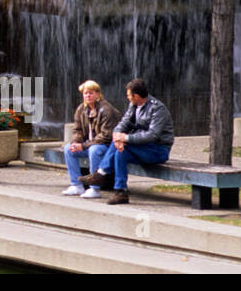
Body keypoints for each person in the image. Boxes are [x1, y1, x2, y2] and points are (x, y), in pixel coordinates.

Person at [80, 77, 174, 205]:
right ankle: (121, 192)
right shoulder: (134, 105)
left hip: (158, 150)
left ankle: (101, 173)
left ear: (136, 96)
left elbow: (152, 135)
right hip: (141, 147)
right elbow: (123, 123)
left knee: (124, 146)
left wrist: (126, 138)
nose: (127, 97)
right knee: (120, 152)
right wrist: (117, 136)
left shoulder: (157, 109)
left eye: (129, 95)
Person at [61, 80, 119, 199]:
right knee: (68, 149)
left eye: (91, 93)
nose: (88, 95)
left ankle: (94, 188)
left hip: (107, 146)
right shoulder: (81, 109)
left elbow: (106, 136)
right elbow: (77, 130)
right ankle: (76, 185)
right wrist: (76, 142)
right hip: (89, 144)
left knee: (94, 150)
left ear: (98, 94)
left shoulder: (106, 110)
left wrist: (83, 146)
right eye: (85, 93)